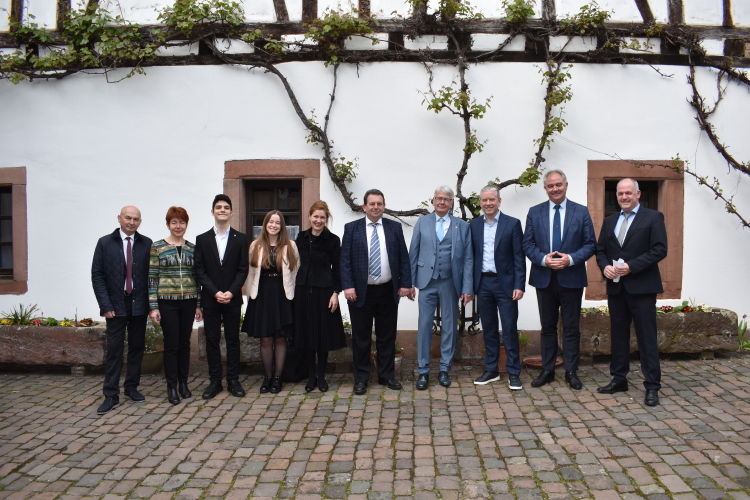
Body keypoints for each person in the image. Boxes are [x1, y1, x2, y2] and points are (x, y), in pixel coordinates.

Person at [595, 178, 667, 407]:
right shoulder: (609, 221)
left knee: (647, 338)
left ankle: (652, 386)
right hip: (617, 287)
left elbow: (659, 249)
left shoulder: (653, 217)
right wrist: (604, 265)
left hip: (643, 288)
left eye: (628, 193)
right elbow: (600, 250)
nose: (624, 197)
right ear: (616, 196)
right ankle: (619, 379)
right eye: (620, 193)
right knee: (618, 336)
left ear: (638, 194)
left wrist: (632, 266)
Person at [522, 170, 596, 390]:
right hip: (544, 278)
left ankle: (572, 371)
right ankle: (548, 369)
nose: (555, 189)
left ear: (566, 185)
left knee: (571, 327)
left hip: (571, 277)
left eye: (558, 184)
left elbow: (590, 244)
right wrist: (543, 260)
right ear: (545, 188)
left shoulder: (580, 212)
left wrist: (571, 259)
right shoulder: (534, 212)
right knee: (547, 326)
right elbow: (528, 244)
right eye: (550, 186)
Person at [340, 189, 412, 395]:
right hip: (360, 292)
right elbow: (345, 260)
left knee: (386, 336)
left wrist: (405, 284)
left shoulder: (394, 228)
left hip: (387, 290)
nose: (376, 207)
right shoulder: (352, 228)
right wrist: (347, 286)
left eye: (379, 203)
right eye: (372, 204)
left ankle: (387, 375)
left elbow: (403, 258)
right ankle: (361, 378)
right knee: (361, 337)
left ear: (384, 206)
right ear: (364, 207)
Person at [408, 186, 473, 390]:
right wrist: (409, 282)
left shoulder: (461, 225)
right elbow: (414, 252)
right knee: (425, 325)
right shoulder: (423, 222)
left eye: (446, 199)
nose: (442, 202)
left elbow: (469, 258)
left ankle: (445, 369)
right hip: (426, 281)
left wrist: (467, 287)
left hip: (450, 281)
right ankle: (423, 371)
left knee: (449, 325)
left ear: (452, 202)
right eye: (438, 198)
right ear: (433, 201)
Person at [92, 206, 152, 415]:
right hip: (115, 307)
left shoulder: (146, 244)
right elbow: (97, 276)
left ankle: (131, 388)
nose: (131, 222)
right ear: (119, 218)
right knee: (114, 350)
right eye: (128, 218)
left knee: (136, 348)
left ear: (139, 222)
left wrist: (151, 306)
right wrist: (105, 305)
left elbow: (151, 277)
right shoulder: (105, 243)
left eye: (136, 219)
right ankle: (110, 394)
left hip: (139, 305)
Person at [469, 185, 526, 390]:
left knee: (509, 328)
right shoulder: (474, 225)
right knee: (489, 329)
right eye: (484, 200)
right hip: (483, 283)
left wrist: (520, 284)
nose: (488, 203)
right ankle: (491, 369)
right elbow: (470, 258)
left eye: (492, 199)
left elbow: (519, 257)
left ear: (499, 201)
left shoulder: (512, 224)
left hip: (507, 285)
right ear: (480, 203)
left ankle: (513, 372)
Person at [194, 194, 250, 400]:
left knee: (233, 340)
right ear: (212, 211)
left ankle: (233, 380)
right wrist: (215, 292)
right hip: (211, 299)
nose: (222, 210)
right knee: (212, 340)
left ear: (231, 211)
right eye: (219, 207)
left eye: (226, 207)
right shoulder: (202, 239)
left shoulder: (241, 238)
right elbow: (200, 270)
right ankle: (215, 380)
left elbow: (242, 269)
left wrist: (232, 292)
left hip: (232, 298)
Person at [148, 207, 203, 405]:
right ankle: (171, 386)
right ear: (168, 224)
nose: (178, 226)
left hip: (188, 302)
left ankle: (183, 383)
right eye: (174, 222)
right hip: (167, 302)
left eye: (181, 222)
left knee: (185, 344)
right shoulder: (157, 247)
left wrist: (198, 304)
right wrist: (154, 307)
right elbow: (152, 278)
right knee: (171, 345)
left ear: (186, 224)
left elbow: (197, 279)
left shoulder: (192, 248)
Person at [242, 210, 300, 394]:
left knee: (280, 338)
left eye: (277, 222)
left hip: (282, 296)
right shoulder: (255, 246)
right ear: (265, 224)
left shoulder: (290, 245)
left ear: (282, 226)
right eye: (271, 222)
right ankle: (267, 377)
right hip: (261, 296)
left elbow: (295, 272)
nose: (274, 225)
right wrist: (250, 296)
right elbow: (250, 273)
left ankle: (278, 378)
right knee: (265, 339)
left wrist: (292, 294)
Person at [293, 201, 347, 393]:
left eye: (322, 217)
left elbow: (337, 268)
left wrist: (335, 293)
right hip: (302, 291)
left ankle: (322, 377)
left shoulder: (333, 240)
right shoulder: (300, 237)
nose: (318, 220)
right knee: (307, 335)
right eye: (315, 216)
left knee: (322, 335)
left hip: (324, 292)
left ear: (326, 219)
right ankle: (311, 377)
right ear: (309, 216)